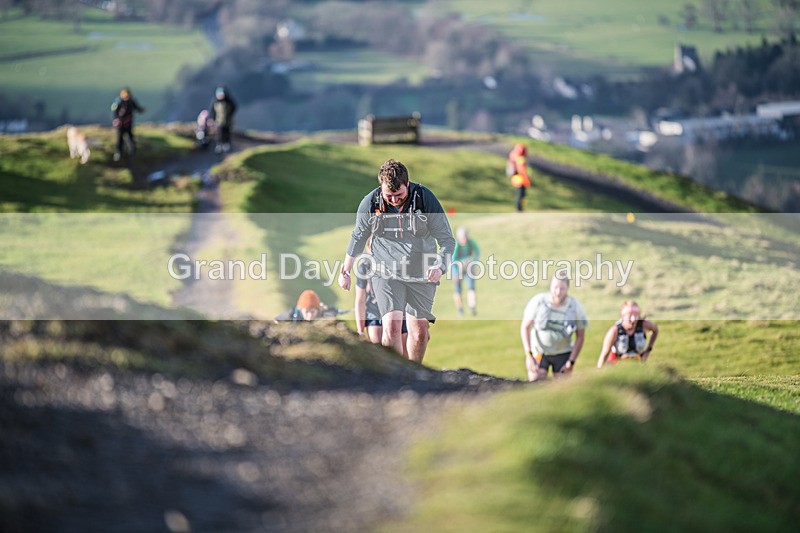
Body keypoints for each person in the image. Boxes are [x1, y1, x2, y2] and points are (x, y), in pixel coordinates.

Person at [338, 159, 455, 363]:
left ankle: (415, 370)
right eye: (388, 195)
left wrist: (440, 265)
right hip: (385, 272)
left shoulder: (424, 198)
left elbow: (447, 240)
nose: (393, 200)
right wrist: (345, 270)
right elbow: (358, 236)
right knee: (391, 326)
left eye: (398, 195)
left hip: (421, 273)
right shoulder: (371, 202)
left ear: (407, 185)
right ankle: (398, 373)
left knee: (418, 332)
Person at [520, 275, 588, 382]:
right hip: (539, 352)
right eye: (555, 287)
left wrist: (571, 362)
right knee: (536, 383)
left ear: (567, 289)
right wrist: (529, 355)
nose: (558, 292)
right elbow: (525, 327)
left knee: (562, 388)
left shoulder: (576, 308)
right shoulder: (538, 302)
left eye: (562, 288)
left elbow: (580, 337)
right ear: (550, 287)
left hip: (563, 353)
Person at [354, 251, 410, 356]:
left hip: (399, 309)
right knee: (377, 347)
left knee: (404, 352)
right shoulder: (365, 267)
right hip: (375, 310)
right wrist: (360, 330)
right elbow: (360, 300)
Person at [597, 301, 659, 368]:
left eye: (636, 316)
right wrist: (599, 372)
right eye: (629, 316)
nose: (633, 319)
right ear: (623, 316)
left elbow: (655, 330)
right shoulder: (614, 332)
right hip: (617, 367)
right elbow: (604, 355)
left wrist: (648, 350)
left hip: (637, 366)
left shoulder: (644, 325)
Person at [451, 226, 480, 317]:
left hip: (468, 267)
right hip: (457, 268)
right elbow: (453, 260)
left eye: (466, 236)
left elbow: (477, 251)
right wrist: (456, 274)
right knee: (458, 290)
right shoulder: (456, 246)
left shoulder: (471, 242)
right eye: (463, 237)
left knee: (471, 287)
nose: (465, 239)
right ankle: (460, 310)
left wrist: (474, 263)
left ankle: (472, 308)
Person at [111, 87, 145, 161]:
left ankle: (132, 153)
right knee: (120, 138)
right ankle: (118, 153)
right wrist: (116, 120)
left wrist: (142, 110)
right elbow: (114, 111)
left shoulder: (131, 101)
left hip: (128, 123)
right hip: (121, 124)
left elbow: (137, 108)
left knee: (130, 138)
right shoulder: (118, 102)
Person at [274, 289, 340, 322]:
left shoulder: (324, 313)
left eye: (312, 312)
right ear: (300, 310)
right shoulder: (291, 315)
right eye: (307, 312)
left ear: (318, 309)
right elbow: (276, 320)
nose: (310, 316)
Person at [208, 86, 237, 154]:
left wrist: (230, 115)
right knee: (220, 133)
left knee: (227, 133)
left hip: (227, 121)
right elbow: (212, 111)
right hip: (219, 121)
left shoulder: (228, 102)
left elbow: (234, 107)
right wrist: (211, 119)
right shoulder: (215, 102)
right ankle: (219, 145)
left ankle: (226, 144)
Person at [507, 143, 531, 212]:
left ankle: (519, 208)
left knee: (519, 194)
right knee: (521, 194)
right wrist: (527, 179)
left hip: (516, 178)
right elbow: (522, 169)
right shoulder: (520, 157)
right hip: (521, 178)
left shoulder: (513, 155)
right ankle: (519, 208)